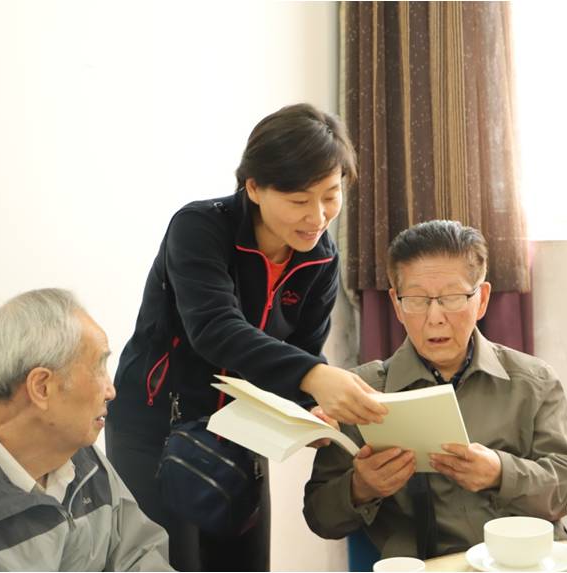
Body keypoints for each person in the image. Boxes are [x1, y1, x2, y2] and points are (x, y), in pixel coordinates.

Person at [105, 103, 387, 571]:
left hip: (240, 432)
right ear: (254, 187)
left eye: (331, 196)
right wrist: (315, 376)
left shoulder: (320, 257)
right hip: (156, 428)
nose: (317, 217)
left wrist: (308, 412)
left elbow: (300, 352)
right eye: (299, 200)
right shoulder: (199, 227)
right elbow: (215, 328)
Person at [303, 220, 567, 559]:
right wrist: (361, 488)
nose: (435, 317)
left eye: (453, 298)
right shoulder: (360, 393)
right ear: (397, 305)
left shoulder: (533, 382)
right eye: (417, 300)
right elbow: (320, 518)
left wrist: (500, 472)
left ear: (481, 299)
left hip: (525, 562)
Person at [0, 288, 172, 571]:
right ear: (42, 387)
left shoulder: (81, 456)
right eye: (98, 368)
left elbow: (139, 555)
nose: (111, 391)